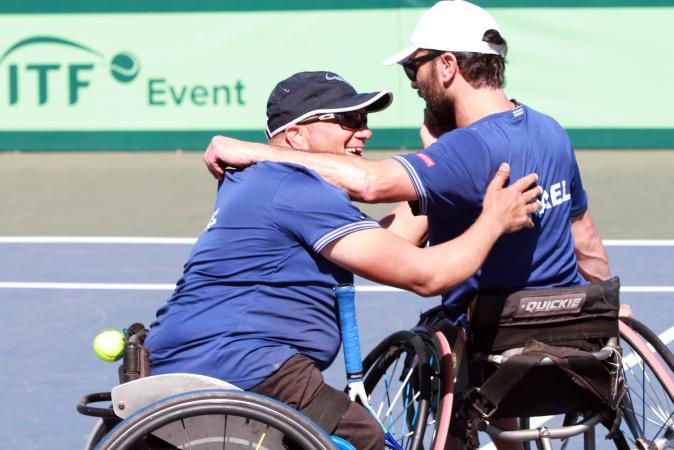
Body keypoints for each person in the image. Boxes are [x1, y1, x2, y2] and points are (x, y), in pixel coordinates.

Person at [146, 70, 542, 450]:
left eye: (364, 119)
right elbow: (428, 275)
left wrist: (437, 176)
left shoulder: (262, 181)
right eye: (348, 120)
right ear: (297, 136)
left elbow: (386, 243)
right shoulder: (296, 188)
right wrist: (494, 220)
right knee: (366, 438)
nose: (365, 130)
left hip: (185, 357)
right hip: (247, 366)